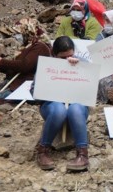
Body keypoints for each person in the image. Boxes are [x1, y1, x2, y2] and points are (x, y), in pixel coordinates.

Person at [34, 36, 90, 171]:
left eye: (69, 56)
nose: (66, 60)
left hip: (77, 104)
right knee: (59, 110)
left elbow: (91, 88)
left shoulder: (83, 62)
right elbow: (34, 92)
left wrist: (79, 69)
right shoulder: (47, 66)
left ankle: (82, 154)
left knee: (75, 110)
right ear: (54, 54)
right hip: (52, 105)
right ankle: (43, 151)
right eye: (62, 58)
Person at [0, 18, 51, 125]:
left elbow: (25, 66)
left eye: (19, 32)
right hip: (14, 82)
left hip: (24, 86)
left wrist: (2, 62)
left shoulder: (39, 46)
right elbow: (14, 69)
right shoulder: (27, 47)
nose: (17, 35)